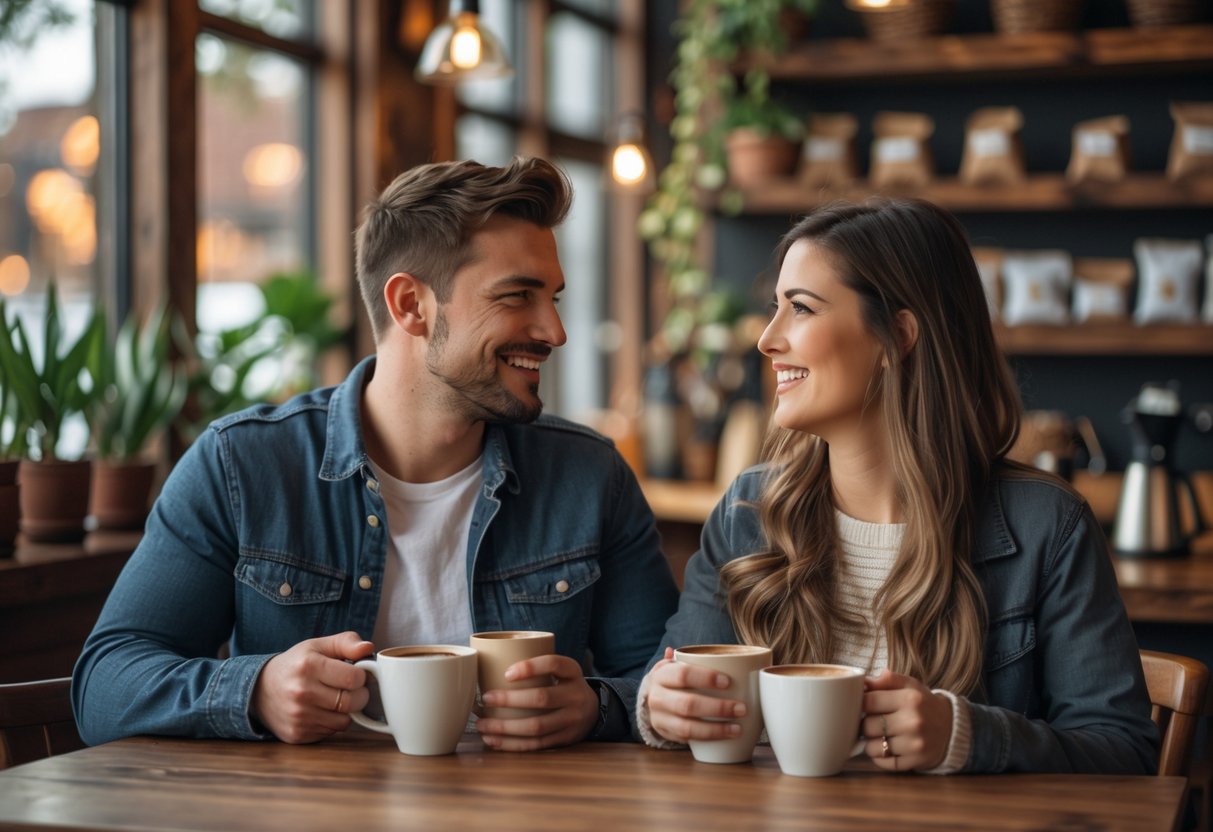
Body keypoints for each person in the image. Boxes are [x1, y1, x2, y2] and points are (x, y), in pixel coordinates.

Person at [73, 157, 679, 751]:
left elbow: (661, 678)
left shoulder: (590, 475)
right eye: (518, 295)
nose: (554, 330)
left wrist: (596, 707)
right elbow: (104, 685)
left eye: (554, 297)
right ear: (411, 305)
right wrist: (255, 691)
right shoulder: (242, 466)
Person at [639, 198, 1158, 774]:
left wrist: (966, 735)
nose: (767, 339)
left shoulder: (1048, 527)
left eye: (802, 309)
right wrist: (660, 705)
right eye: (774, 309)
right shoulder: (747, 513)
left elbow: (1124, 752)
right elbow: (672, 685)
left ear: (899, 337)